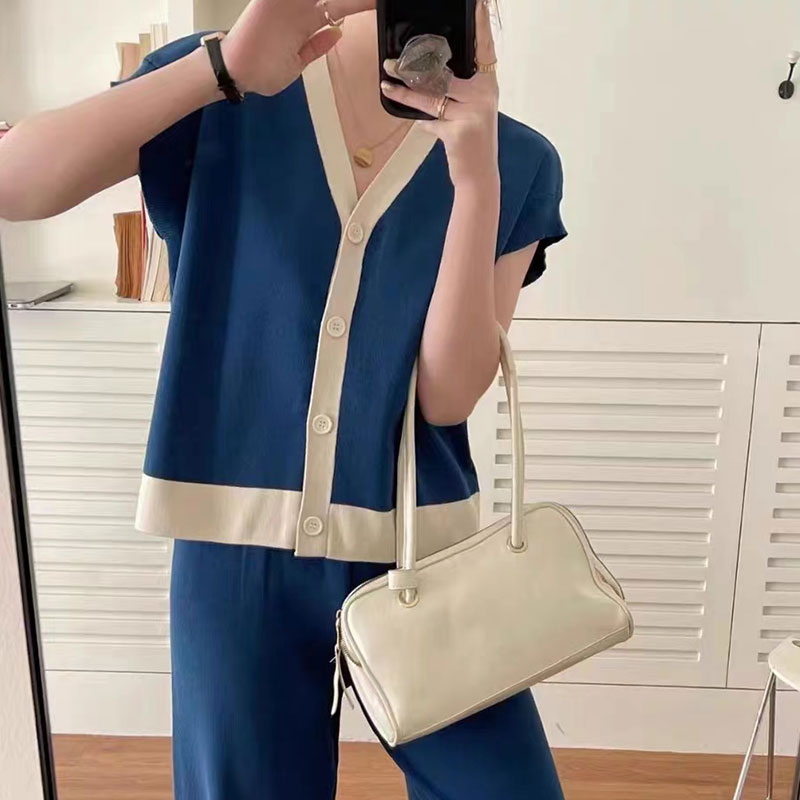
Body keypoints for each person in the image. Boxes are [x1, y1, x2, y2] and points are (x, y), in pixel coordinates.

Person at [0, 0, 568, 796]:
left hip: (424, 555)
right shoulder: (227, 84)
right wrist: (221, 68)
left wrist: (475, 182)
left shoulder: (518, 159)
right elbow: (11, 183)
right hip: (234, 551)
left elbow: (445, 399)